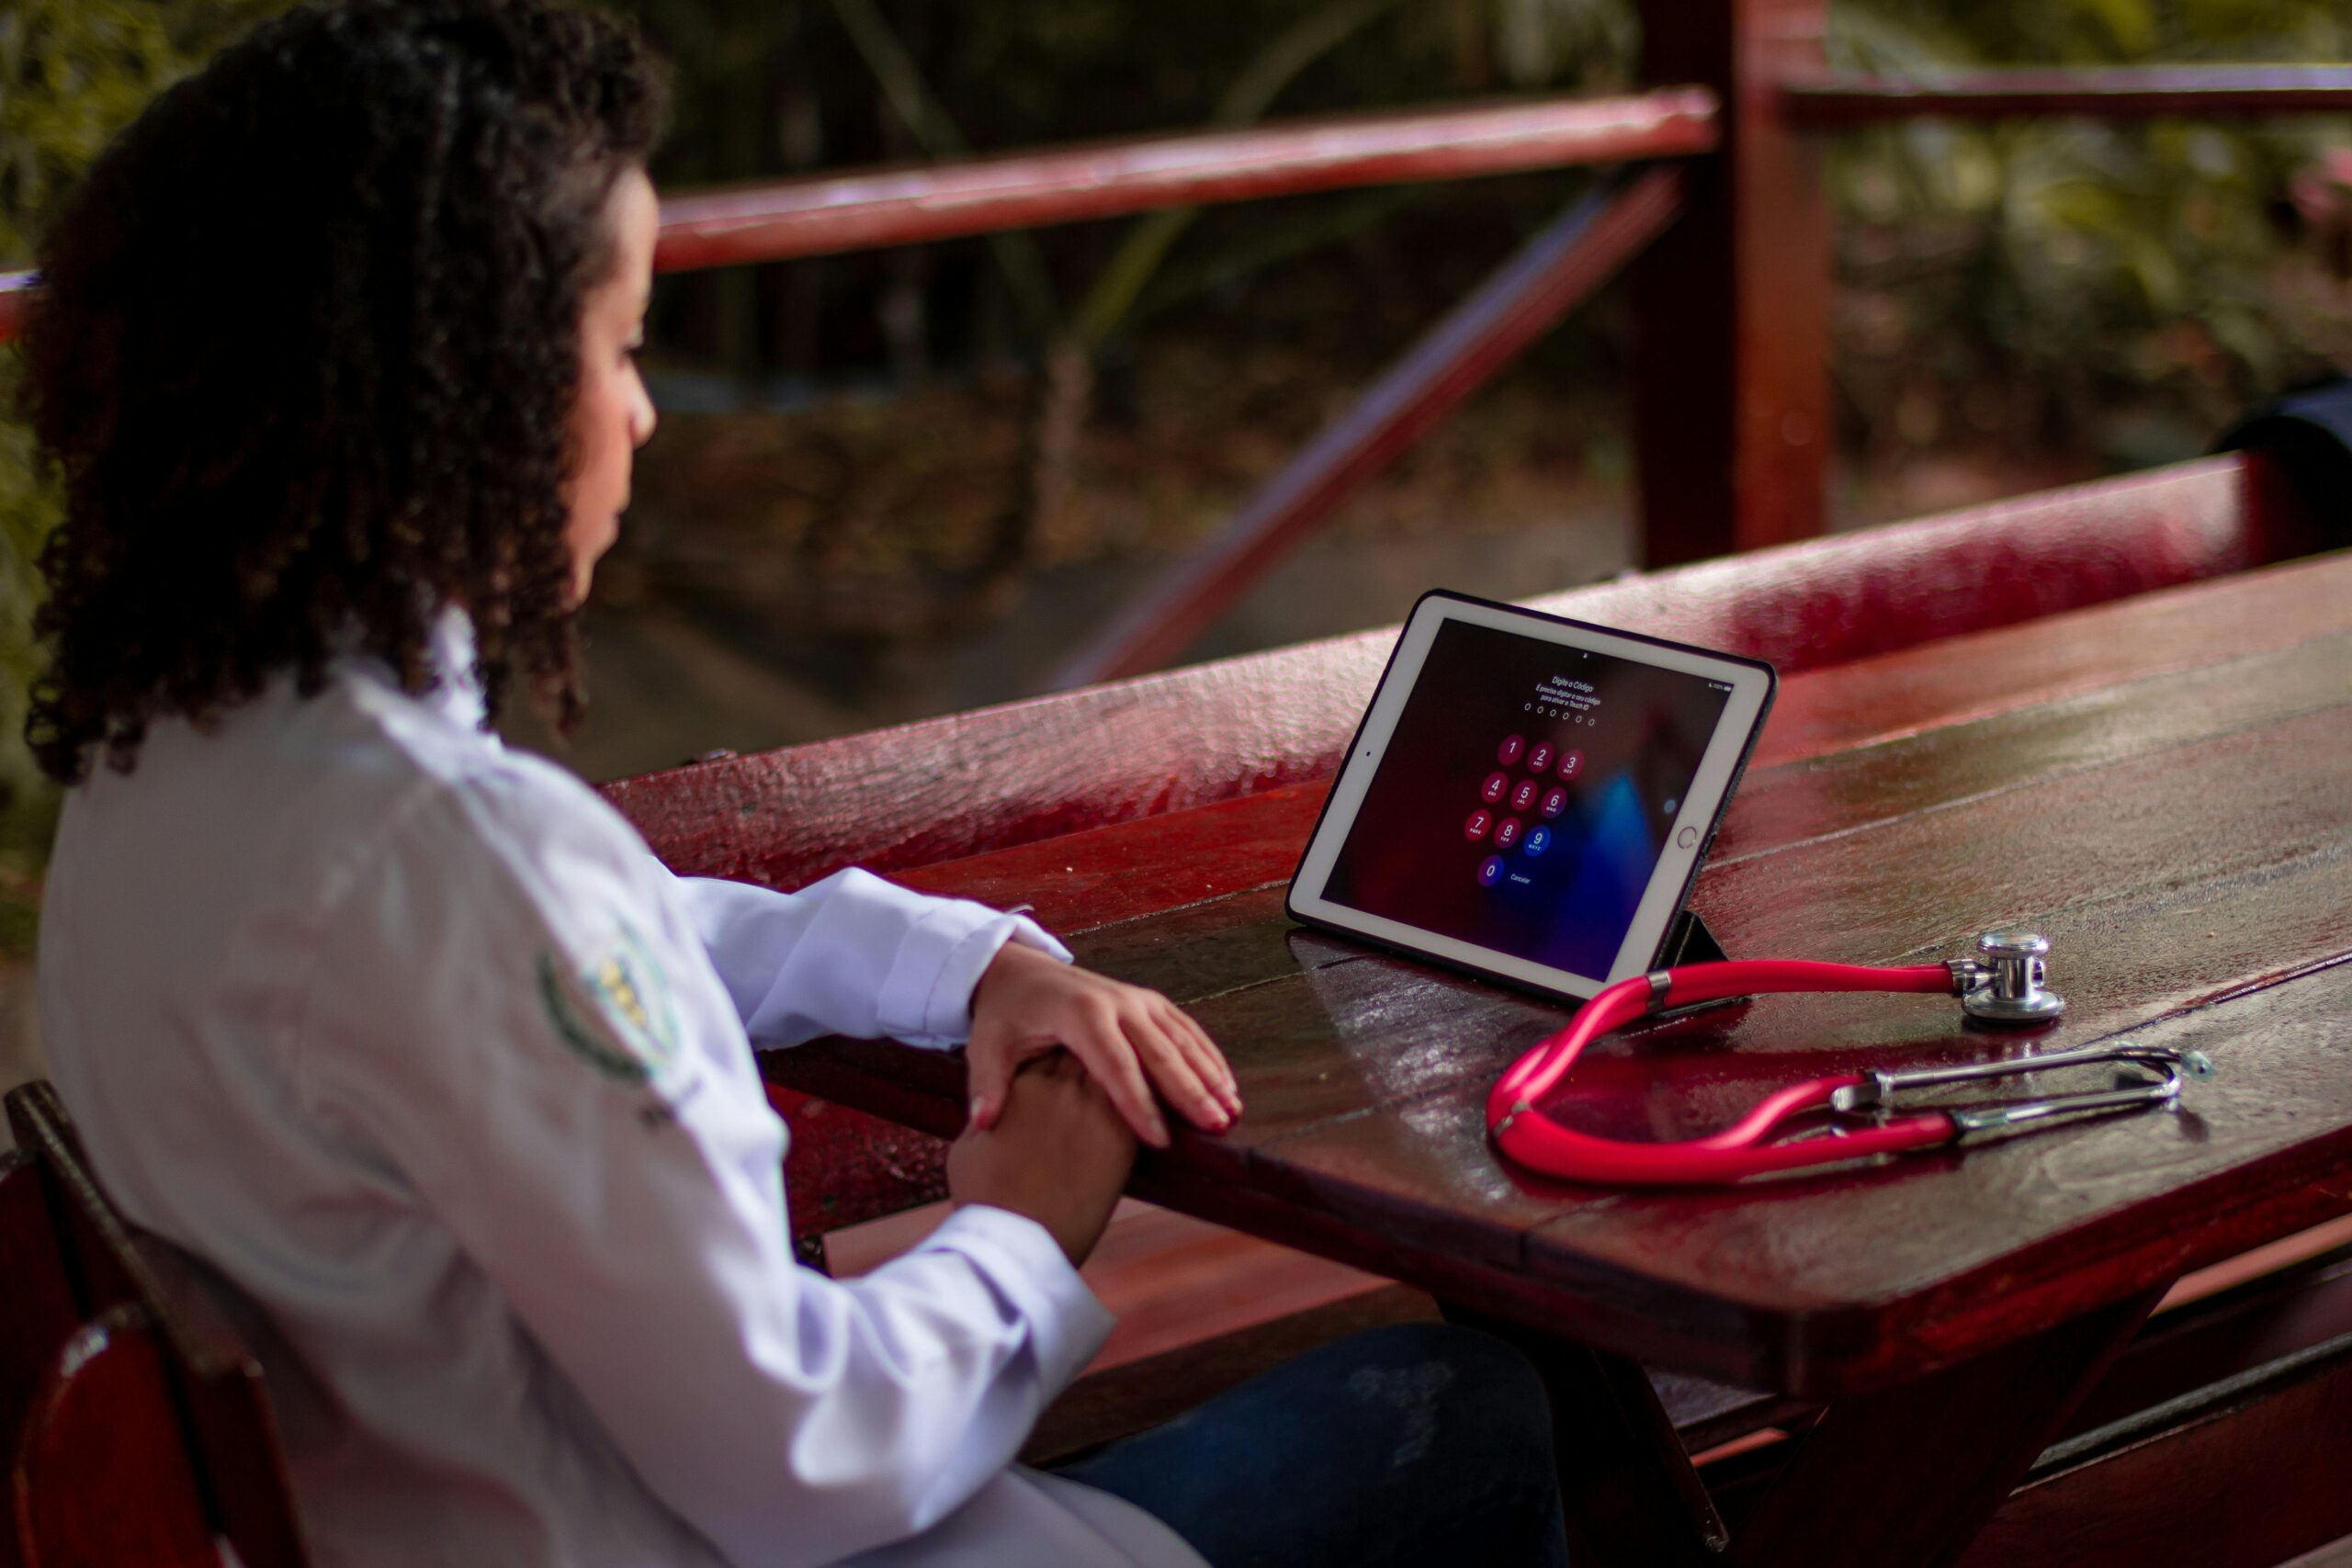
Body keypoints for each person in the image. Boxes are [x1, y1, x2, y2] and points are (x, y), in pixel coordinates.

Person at [19, 3, 1569, 1563]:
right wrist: (1025, 1225)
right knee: (1473, 1407)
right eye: (618, 348)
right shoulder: (448, 858)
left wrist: (967, 965)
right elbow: (800, 1454)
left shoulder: (166, 781)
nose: (636, 411)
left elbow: (593, 940)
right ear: (454, 392)